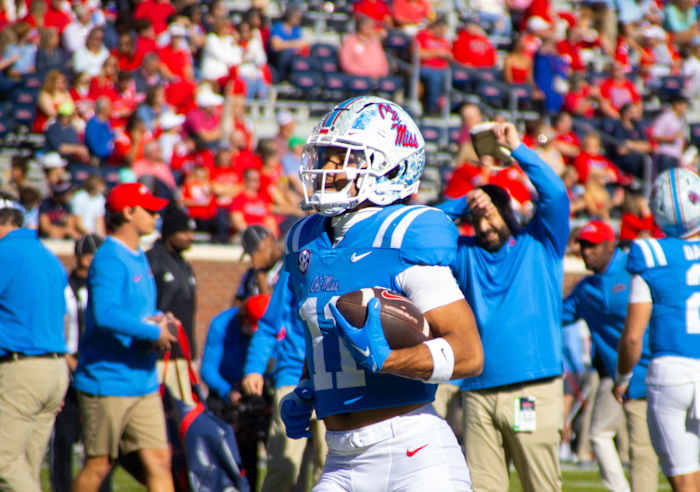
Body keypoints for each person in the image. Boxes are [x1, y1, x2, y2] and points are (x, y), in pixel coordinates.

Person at [278, 96, 484, 491]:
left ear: (391, 168)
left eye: (343, 158)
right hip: (340, 458)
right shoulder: (306, 242)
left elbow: (470, 353)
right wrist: (309, 385)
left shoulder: (402, 234)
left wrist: (392, 360)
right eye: (325, 157)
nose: (327, 169)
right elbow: (324, 336)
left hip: (412, 452)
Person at [451, 122, 570, 491]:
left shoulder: (541, 243)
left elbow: (556, 195)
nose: (484, 225)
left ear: (508, 212)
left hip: (531, 390)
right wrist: (467, 200)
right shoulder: (464, 254)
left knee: (541, 486)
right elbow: (421, 227)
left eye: (490, 214)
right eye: (477, 220)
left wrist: (517, 150)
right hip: (476, 393)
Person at [71, 183, 177, 492]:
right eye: (149, 209)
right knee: (98, 465)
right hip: (108, 380)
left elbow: (135, 311)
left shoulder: (137, 256)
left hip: (141, 380)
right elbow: (106, 314)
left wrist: (160, 318)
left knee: (159, 460)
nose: (156, 215)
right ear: (129, 213)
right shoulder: (109, 258)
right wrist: (153, 331)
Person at [615, 168, 700, 492]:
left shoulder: (652, 253)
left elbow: (634, 335)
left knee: (683, 476)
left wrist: (623, 377)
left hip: (672, 371)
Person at [562, 220, 657, 492]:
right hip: (619, 378)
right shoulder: (586, 289)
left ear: (610, 245)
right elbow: (555, 316)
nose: (585, 251)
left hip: (653, 369)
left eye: (592, 245)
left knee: (655, 449)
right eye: (582, 245)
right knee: (607, 438)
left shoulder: (634, 270)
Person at [0, 194, 70, 492]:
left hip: (22, 369)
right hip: (54, 371)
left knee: (3, 463)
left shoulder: (5, 254)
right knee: (25, 469)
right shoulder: (48, 256)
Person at [242, 267, 326, 492]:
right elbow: (269, 324)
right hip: (293, 376)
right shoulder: (296, 264)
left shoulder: (350, 258)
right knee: (283, 466)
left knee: (331, 469)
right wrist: (254, 368)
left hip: (336, 379)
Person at [50, 234, 112, 492]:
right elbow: (54, 326)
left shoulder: (105, 286)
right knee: (64, 438)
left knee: (99, 443)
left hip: (99, 366)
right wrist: (68, 359)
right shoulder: (64, 287)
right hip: (70, 362)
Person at [201, 294, 272, 489]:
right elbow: (208, 369)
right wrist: (228, 392)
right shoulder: (221, 325)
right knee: (223, 455)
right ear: (243, 318)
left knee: (252, 458)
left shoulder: (270, 328)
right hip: (226, 393)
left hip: (258, 391)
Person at [147, 205, 197, 399]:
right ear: (170, 233)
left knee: (183, 415)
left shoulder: (184, 264)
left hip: (182, 355)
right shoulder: (152, 260)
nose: (190, 237)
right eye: (184, 232)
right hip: (159, 355)